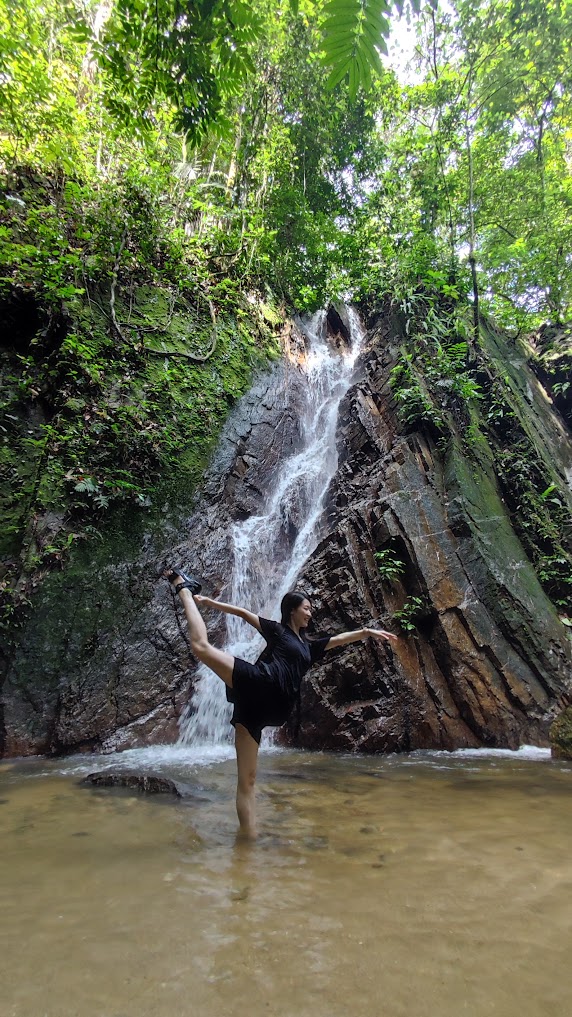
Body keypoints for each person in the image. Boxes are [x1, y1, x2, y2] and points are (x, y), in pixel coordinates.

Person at [164, 568, 398, 839]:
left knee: (248, 781)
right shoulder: (277, 631)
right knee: (201, 648)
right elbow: (242, 613)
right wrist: (209, 602)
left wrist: (367, 631)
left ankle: (247, 845)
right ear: (292, 610)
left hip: (267, 709)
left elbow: (339, 640)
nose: (310, 614)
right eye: (307, 608)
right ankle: (184, 589)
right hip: (259, 683)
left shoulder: (309, 647)